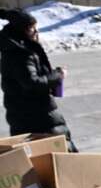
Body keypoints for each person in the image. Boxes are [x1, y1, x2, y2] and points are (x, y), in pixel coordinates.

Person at [1, 8, 74, 148]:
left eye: (36, 28)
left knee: (45, 155)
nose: (36, 32)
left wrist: (52, 74)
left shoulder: (19, 50)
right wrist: (58, 75)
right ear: (20, 32)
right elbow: (32, 82)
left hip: (28, 113)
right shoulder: (20, 54)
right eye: (31, 29)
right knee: (58, 151)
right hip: (34, 115)